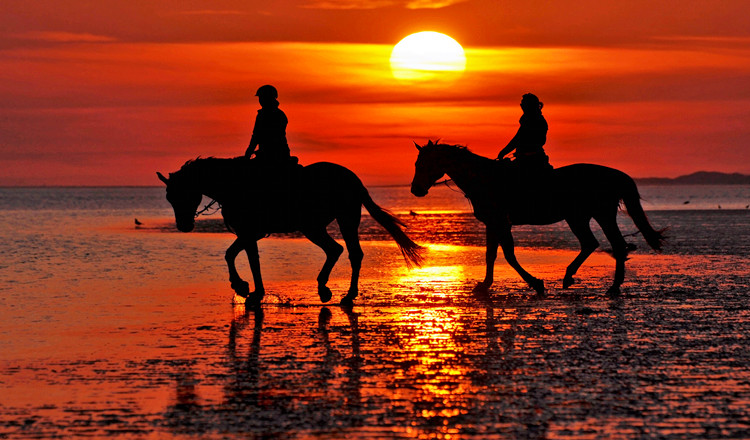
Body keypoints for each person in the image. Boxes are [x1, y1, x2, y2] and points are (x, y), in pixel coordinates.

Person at [497, 93, 552, 172]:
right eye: (521, 104)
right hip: (525, 158)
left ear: (530, 105)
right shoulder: (528, 120)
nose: (521, 106)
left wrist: (503, 152)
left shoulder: (535, 121)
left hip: (531, 161)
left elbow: (518, 139)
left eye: (523, 104)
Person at [244, 85, 290, 163]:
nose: (260, 100)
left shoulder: (267, 115)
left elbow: (257, 135)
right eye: (260, 98)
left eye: (262, 98)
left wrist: (249, 152)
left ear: (269, 98)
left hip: (274, 156)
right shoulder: (277, 114)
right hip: (271, 153)